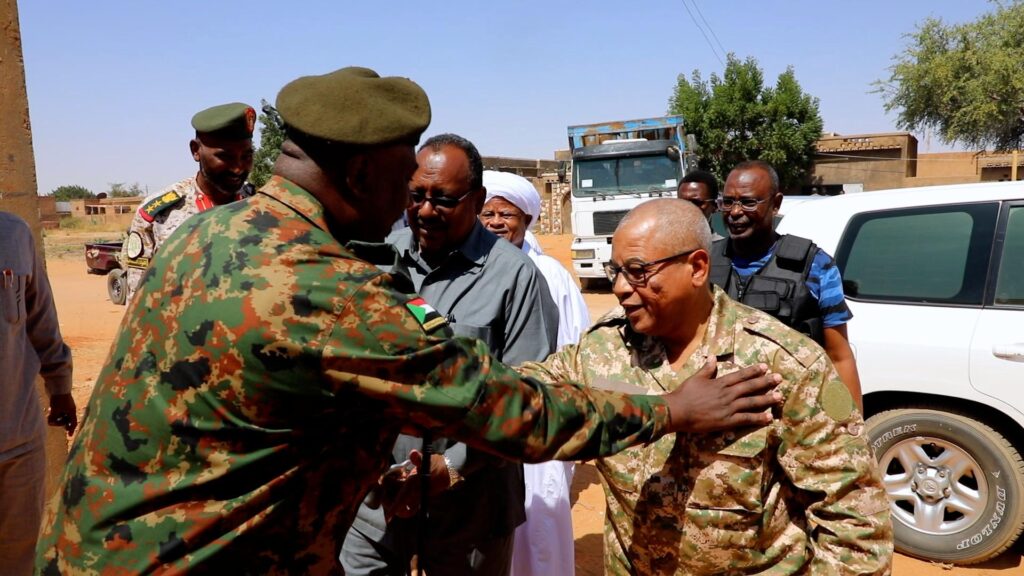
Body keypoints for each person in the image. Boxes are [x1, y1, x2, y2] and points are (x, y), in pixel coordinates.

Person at [35, 67, 782, 575]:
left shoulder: (206, 232)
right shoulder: (328, 290)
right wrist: (671, 410)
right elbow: (513, 411)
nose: (411, 205)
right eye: (403, 181)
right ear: (361, 174)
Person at [518, 198, 893, 575]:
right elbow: (521, 401)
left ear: (697, 267)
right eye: (614, 270)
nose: (619, 287)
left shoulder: (783, 364)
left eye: (637, 271)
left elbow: (855, 525)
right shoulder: (602, 350)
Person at [342, 136, 559, 576]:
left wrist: (452, 466)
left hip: (470, 510)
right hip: (372, 505)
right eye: (415, 195)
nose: (425, 211)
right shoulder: (375, 258)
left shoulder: (516, 278)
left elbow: (527, 398)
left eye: (443, 200)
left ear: (477, 200)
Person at [480, 169, 589, 576]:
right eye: (488, 213)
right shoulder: (468, 269)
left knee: (539, 525)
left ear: (526, 220)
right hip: (483, 422)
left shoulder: (550, 274)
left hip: (539, 417)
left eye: (506, 214)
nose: (496, 223)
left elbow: (575, 347)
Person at [711, 160, 863, 406]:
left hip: (793, 412)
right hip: (719, 412)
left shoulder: (816, 265)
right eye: (728, 202)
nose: (735, 212)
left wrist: (851, 422)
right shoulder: (703, 262)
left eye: (748, 202)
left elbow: (839, 356)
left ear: (776, 204)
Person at [0, 211, 75, 575]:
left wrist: (60, 386)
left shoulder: (14, 233)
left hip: (19, 441)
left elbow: (41, 317)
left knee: (22, 556)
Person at [122, 101, 256, 301]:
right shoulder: (158, 214)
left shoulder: (261, 206)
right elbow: (137, 297)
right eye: (225, 157)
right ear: (195, 150)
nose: (238, 168)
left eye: (247, 156)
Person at [676, 169, 723, 241]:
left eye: (696, 203)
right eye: (682, 203)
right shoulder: (665, 245)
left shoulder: (725, 246)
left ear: (715, 206)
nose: (688, 209)